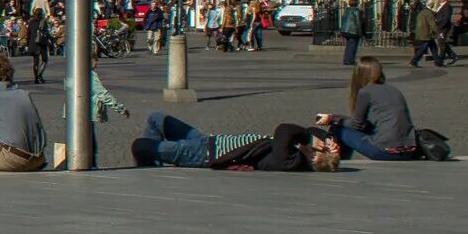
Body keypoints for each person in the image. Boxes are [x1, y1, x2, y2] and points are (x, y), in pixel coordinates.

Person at [131, 114, 343, 171]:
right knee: (156, 118)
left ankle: (150, 168)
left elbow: (284, 130)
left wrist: (308, 139)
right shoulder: (299, 151)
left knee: (141, 145)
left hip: (204, 155)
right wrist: (327, 139)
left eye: (317, 151)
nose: (314, 147)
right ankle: (152, 166)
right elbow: (310, 130)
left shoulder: (289, 160)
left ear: (314, 158)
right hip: (208, 140)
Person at [323, 56, 418, 160]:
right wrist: (336, 117)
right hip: (409, 151)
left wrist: (332, 119)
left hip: (385, 151)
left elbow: (356, 125)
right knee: (341, 125)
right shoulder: (394, 90)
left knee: (336, 129)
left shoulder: (365, 92)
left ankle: (337, 161)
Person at [338, 0, 368, 67]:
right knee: (352, 46)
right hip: (353, 31)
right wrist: (361, 33)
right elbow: (358, 22)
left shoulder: (346, 10)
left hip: (345, 30)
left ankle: (346, 59)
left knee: (348, 46)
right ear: (357, 3)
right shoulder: (357, 11)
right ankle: (350, 60)